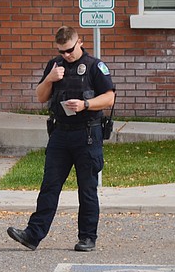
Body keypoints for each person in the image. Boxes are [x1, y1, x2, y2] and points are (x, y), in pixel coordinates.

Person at [7, 25, 115, 252]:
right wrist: (49, 79)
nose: (65, 55)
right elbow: (40, 97)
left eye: (69, 50)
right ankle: (33, 235)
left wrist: (85, 104)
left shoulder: (96, 67)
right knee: (49, 185)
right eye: (61, 51)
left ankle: (87, 237)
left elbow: (109, 98)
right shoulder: (55, 66)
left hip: (87, 133)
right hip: (60, 134)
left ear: (80, 42)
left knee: (87, 188)